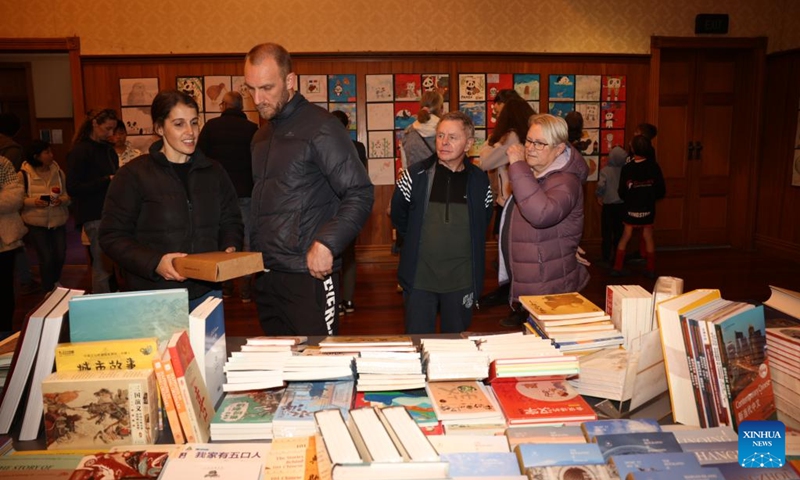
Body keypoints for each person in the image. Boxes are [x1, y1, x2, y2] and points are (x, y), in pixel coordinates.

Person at [244, 42, 373, 336]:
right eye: (250, 89)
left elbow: (360, 192)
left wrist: (327, 242)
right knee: (280, 368)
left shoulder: (322, 127)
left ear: (290, 81)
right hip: (266, 274)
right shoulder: (261, 136)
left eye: (266, 87)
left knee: (320, 365)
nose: (257, 99)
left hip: (308, 274)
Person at [99, 90, 243, 309]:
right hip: (154, 294)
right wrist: (155, 262)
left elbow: (231, 219)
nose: (190, 132)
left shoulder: (214, 172)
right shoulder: (133, 175)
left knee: (206, 345)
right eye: (179, 124)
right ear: (159, 128)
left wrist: (229, 246)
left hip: (207, 292)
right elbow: (112, 236)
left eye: (194, 123)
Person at [391, 111, 493, 334]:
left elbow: (483, 222)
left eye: (453, 137)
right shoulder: (415, 175)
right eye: (440, 136)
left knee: (456, 346)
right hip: (419, 279)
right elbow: (399, 216)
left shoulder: (479, 181)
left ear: (468, 144)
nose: (444, 142)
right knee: (418, 343)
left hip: (461, 280)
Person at [499, 114, 590, 327]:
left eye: (540, 143)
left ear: (558, 149)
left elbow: (540, 214)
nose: (530, 147)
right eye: (529, 140)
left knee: (548, 344)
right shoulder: (538, 170)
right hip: (538, 272)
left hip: (548, 280)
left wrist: (518, 166)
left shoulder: (566, 181)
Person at [197, 91, 259, 303]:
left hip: (217, 194)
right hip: (246, 191)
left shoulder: (211, 127)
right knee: (247, 240)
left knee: (221, 238)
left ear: (223, 106)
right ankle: (246, 289)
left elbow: (199, 159)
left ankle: (225, 286)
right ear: (241, 107)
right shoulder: (252, 129)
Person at [477, 97, 534, 308]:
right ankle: (510, 293)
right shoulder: (528, 135)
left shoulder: (511, 137)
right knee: (513, 249)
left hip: (511, 200)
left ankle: (514, 298)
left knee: (510, 251)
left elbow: (485, 162)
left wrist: (491, 141)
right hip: (524, 197)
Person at [67, 108, 119, 294]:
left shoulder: (107, 150)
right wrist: (106, 180)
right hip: (93, 214)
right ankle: (102, 312)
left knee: (112, 266)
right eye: (107, 128)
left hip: (110, 212)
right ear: (95, 125)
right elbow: (73, 188)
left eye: (113, 129)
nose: (111, 134)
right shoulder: (80, 151)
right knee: (102, 267)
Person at [18, 140, 71, 292]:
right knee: (46, 258)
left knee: (60, 255)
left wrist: (60, 200)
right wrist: (33, 201)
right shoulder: (23, 175)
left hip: (58, 220)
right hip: (36, 222)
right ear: (36, 156)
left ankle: (54, 281)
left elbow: (68, 197)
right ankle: (48, 289)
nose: (51, 155)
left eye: (50, 151)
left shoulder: (59, 172)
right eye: (47, 152)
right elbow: (19, 200)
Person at [611, 135, 666, 279]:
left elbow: (622, 191)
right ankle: (651, 269)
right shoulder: (654, 166)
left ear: (632, 149)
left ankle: (617, 267)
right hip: (648, 208)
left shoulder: (628, 167)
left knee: (626, 235)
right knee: (648, 236)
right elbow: (661, 190)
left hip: (630, 208)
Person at [331, 109, 367, 316]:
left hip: (329, 208)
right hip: (352, 207)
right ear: (346, 126)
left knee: (331, 254)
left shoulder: (323, 145)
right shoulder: (358, 148)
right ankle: (349, 301)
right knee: (349, 255)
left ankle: (334, 302)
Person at [0, 155, 26, 337]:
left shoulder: (3, 163)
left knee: (4, 289)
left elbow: (15, 197)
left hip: (4, 240)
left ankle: (4, 332)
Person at [595, 146, 627, 267]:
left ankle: (606, 257)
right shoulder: (625, 170)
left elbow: (601, 185)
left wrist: (599, 195)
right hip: (622, 206)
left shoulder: (605, 171)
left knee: (606, 233)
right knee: (619, 233)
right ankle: (618, 257)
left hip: (608, 206)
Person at [400, 91, 443, 169]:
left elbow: (405, 167)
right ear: (440, 108)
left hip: (416, 179)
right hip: (441, 179)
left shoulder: (408, 132)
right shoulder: (446, 129)